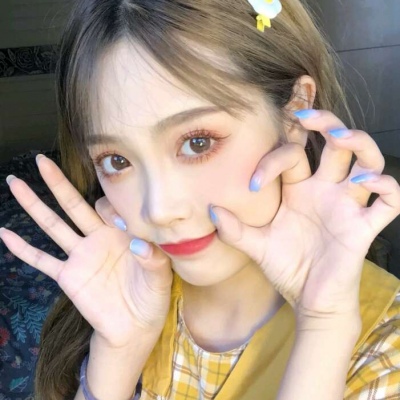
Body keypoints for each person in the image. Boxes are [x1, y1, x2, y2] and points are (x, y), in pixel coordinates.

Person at [1, 0, 400, 399]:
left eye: (198, 142)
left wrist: (324, 323)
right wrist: (118, 354)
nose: (158, 211)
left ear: (294, 112)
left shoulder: (385, 344)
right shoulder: (116, 299)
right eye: (116, 161)